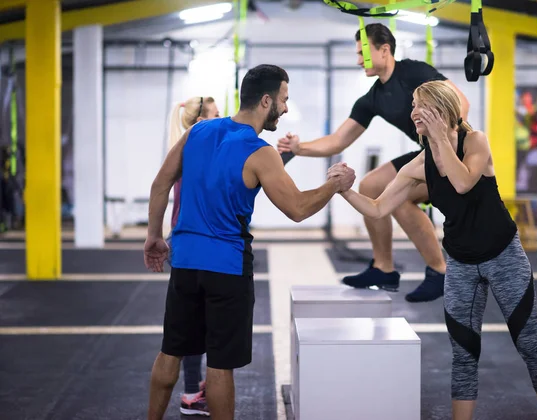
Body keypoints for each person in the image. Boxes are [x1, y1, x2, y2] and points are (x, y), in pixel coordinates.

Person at [333, 80, 537, 420]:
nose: (412, 113)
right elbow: (379, 208)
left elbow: (462, 181)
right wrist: (346, 191)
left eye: (419, 106)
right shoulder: (418, 165)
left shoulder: (476, 142)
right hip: (461, 263)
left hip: (503, 256)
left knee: (530, 344)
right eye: (412, 105)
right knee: (464, 354)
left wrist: (441, 139)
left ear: (442, 112)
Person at [143, 64, 355, 420]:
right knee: (220, 364)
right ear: (267, 100)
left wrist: (153, 236)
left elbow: (160, 184)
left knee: (170, 352)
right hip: (226, 268)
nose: (286, 109)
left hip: (185, 262)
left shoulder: (197, 132)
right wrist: (336, 183)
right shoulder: (260, 152)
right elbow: (298, 209)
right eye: (284, 100)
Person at [277, 22, 470, 303]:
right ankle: (383, 268)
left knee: (400, 197)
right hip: (429, 153)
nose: (358, 61)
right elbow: (339, 140)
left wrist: (443, 141)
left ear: (385, 50)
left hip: (455, 153)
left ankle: (440, 271)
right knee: (370, 186)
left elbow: (460, 102)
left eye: (362, 53)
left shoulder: (413, 72)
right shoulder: (374, 97)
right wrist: (298, 148)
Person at [166, 95, 220, 416]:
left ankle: (191, 389)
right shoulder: (199, 152)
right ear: (201, 122)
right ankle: (191, 392)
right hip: (191, 243)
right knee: (196, 321)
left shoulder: (185, 150)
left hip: (186, 241)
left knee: (193, 320)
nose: (222, 118)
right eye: (216, 114)